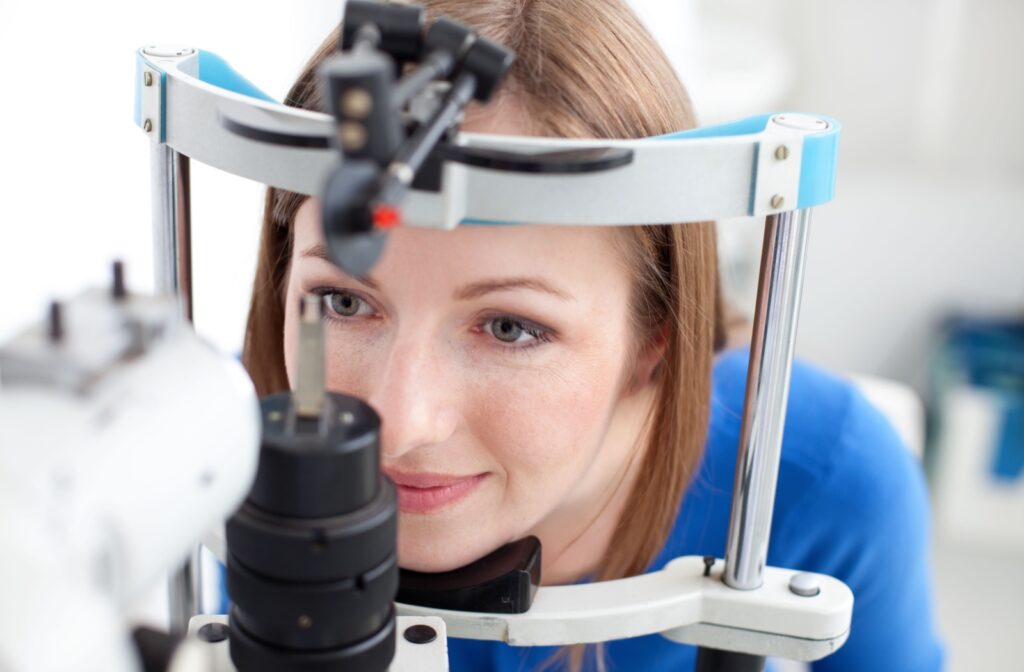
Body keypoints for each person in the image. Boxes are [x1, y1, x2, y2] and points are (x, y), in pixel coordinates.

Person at [242, 1, 945, 669]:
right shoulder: (225, 441)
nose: (399, 425)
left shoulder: (826, 476)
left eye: (509, 328)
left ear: (654, 340)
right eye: (342, 301)